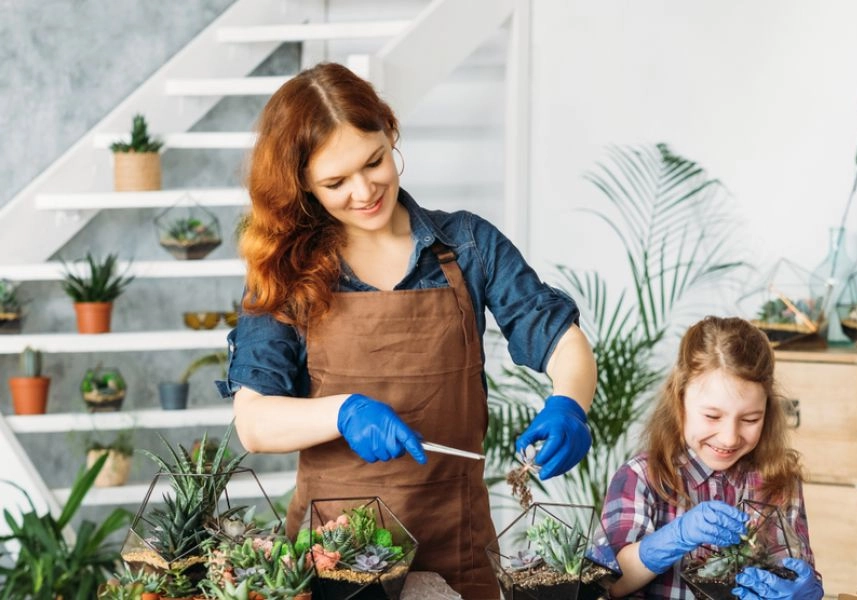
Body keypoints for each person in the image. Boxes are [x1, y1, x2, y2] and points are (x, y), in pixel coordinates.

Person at [217, 62, 597, 599]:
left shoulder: (467, 246)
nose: (364, 190)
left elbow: (560, 338)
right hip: (337, 559)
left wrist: (569, 405)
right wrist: (343, 410)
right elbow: (254, 423)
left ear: (389, 133)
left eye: (373, 162)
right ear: (302, 186)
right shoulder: (289, 271)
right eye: (335, 181)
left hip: (458, 542)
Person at [600, 316, 822, 600]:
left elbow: (796, 568)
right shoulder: (642, 477)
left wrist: (804, 590)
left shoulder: (778, 480)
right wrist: (673, 537)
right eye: (712, 416)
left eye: (750, 419)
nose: (729, 437)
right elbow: (609, 584)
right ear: (679, 400)